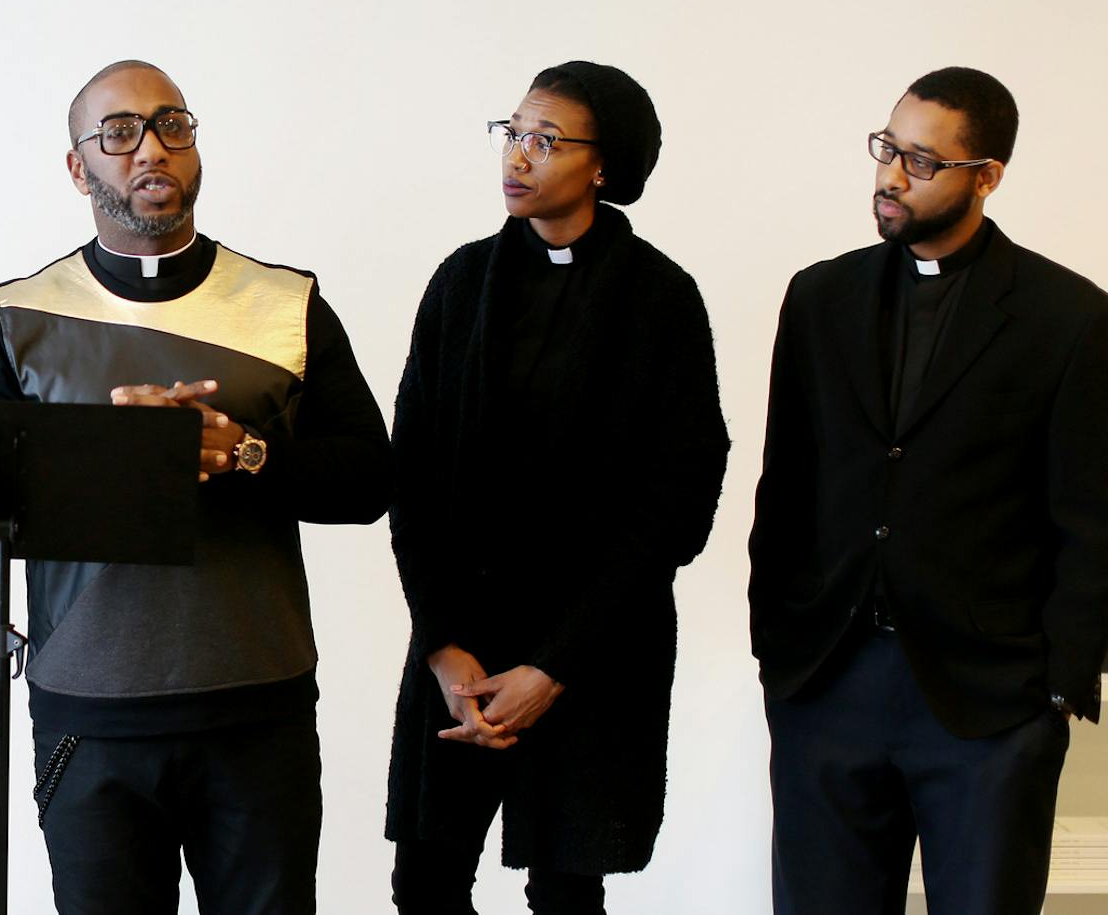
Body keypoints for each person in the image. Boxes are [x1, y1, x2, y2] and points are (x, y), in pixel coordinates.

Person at [0, 59, 393, 915]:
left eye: (172, 126)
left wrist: (243, 453)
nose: (150, 148)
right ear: (79, 168)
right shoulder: (14, 315)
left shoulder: (287, 303)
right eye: (118, 133)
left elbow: (370, 478)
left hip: (256, 705)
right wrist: (111, 454)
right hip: (91, 713)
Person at [749, 66, 1108, 914]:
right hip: (826, 685)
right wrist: (778, 647)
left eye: (921, 159)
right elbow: (787, 482)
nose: (891, 175)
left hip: (986, 706)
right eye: (887, 147)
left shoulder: (1070, 318)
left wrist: (1056, 688)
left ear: (986, 175)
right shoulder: (819, 295)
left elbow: (1090, 519)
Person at [382, 62, 728, 914]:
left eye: (546, 140)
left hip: (595, 648)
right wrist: (442, 644)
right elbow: (412, 472)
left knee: (568, 892)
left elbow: (679, 501)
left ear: (604, 166)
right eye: (513, 133)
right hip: (459, 645)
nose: (519, 156)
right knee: (425, 879)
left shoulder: (662, 299)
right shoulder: (460, 283)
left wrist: (553, 666)